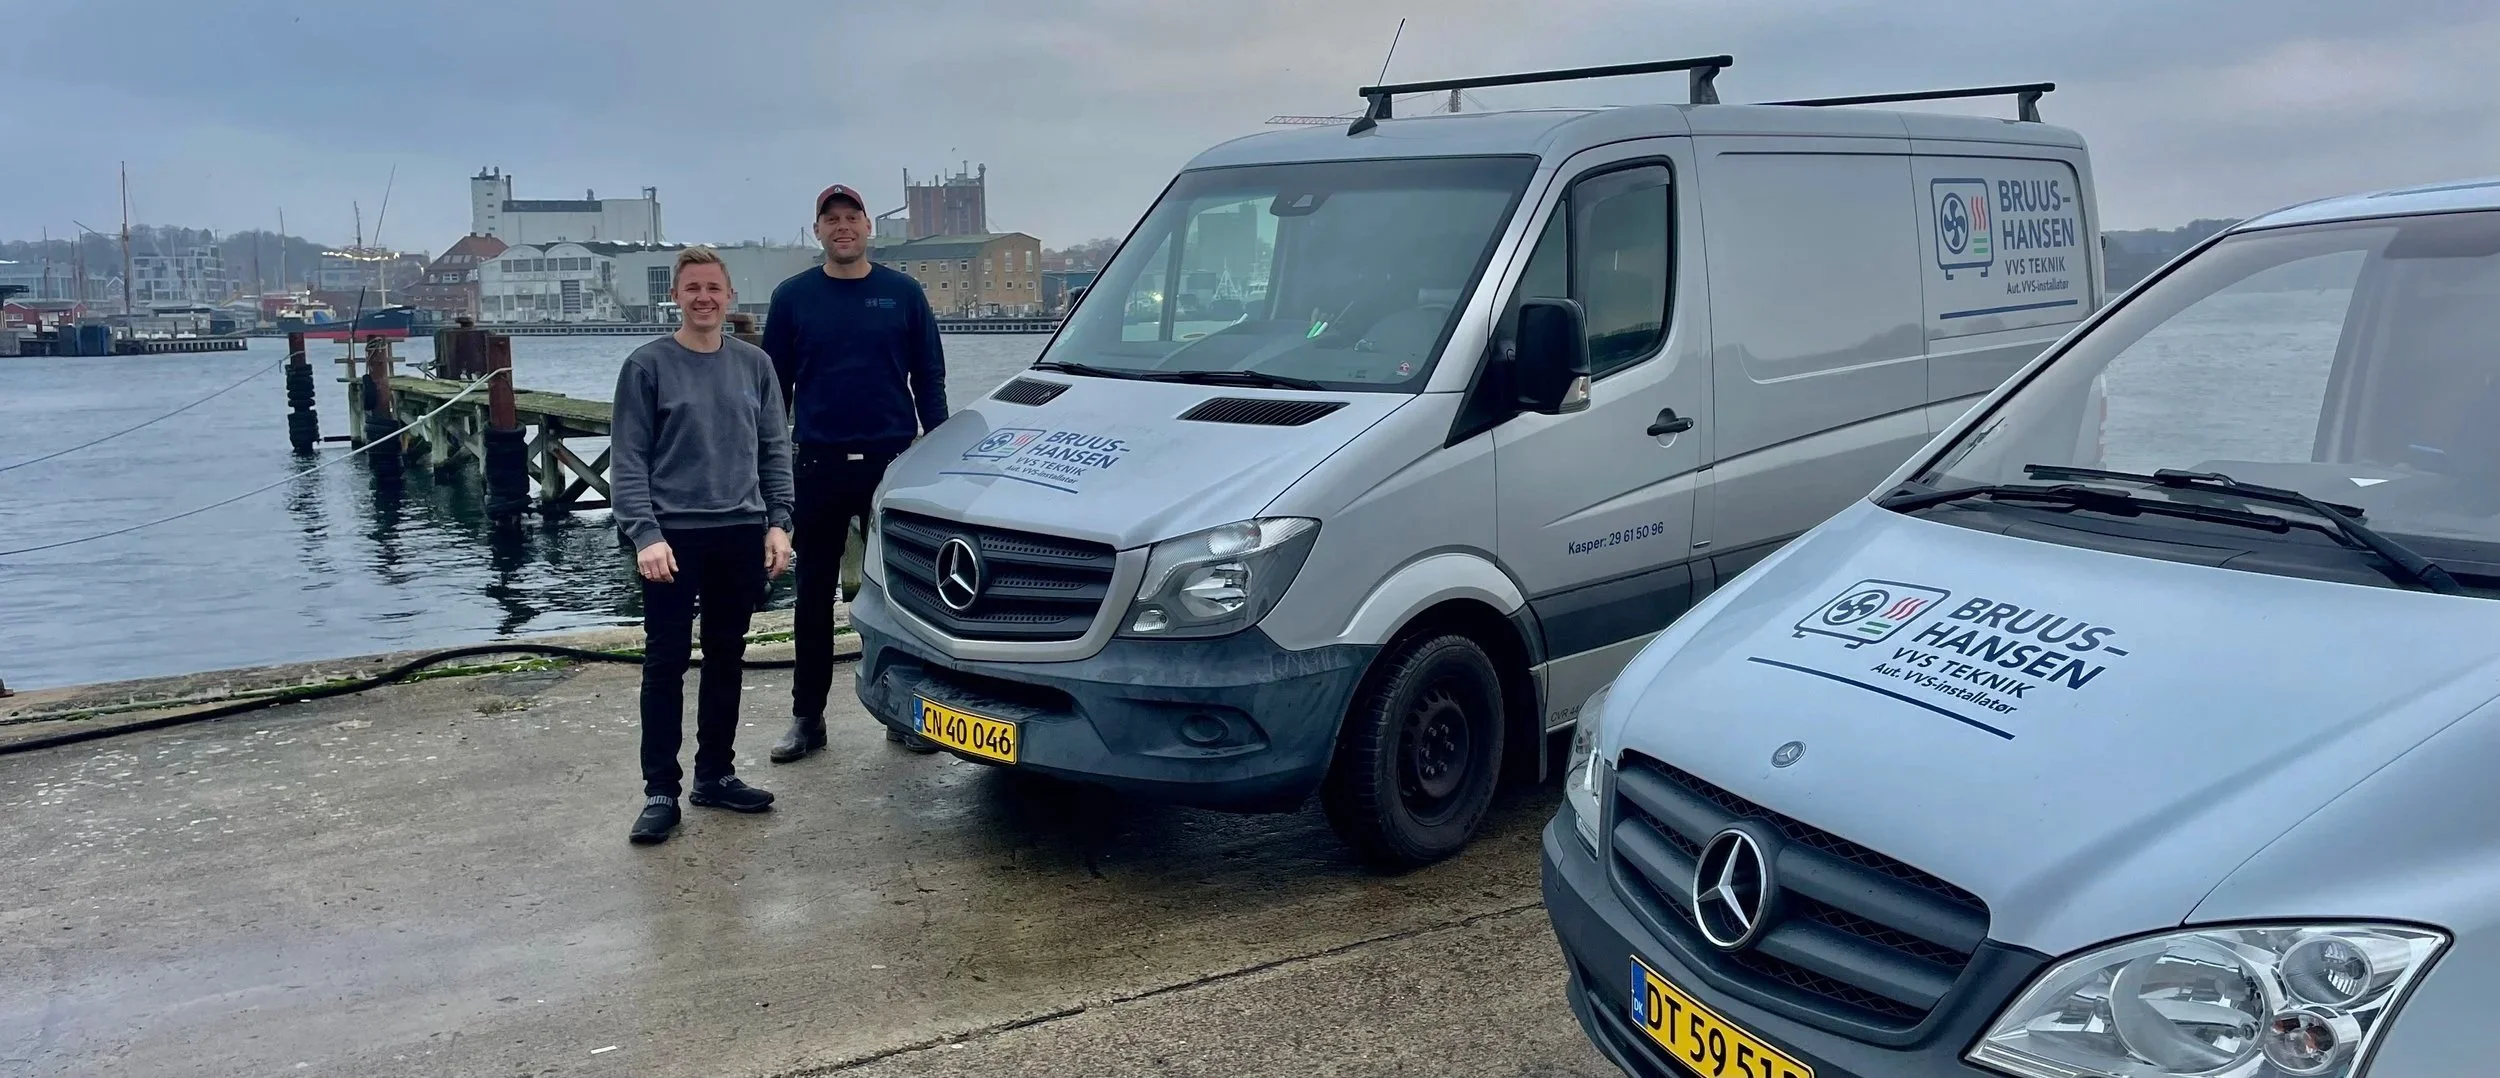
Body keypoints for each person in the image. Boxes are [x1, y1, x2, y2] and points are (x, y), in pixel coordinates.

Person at [609, 246, 797, 845]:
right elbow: (628, 460)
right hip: (671, 537)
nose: (704, 298)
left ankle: (715, 774)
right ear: (676, 296)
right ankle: (660, 791)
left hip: (740, 530)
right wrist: (645, 534)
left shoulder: (755, 365)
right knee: (665, 661)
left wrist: (779, 523)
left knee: (726, 655)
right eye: (692, 288)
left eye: (713, 287)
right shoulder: (647, 366)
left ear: (729, 295)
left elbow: (774, 449)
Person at [762, 183, 949, 763]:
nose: (842, 227)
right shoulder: (792, 298)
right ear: (817, 230)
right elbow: (773, 392)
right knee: (812, 596)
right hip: (816, 465)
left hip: (891, 465)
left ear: (869, 227)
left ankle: (902, 713)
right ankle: (807, 718)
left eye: (852, 217)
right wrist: (769, 465)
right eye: (831, 219)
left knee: (901, 596)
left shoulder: (903, 294)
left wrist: (939, 455)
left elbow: (929, 380)